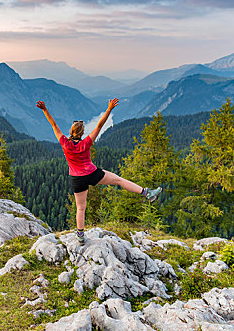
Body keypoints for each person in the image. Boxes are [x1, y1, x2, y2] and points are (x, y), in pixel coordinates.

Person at [36, 98, 162, 244]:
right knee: (119, 180)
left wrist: (45, 109)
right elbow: (100, 125)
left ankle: (80, 236)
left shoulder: (65, 143)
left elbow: (54, 124)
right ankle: (147, 193)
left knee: (80, 208)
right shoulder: (86, 142)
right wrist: (109, 109)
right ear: (82, 132)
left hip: (77, 179)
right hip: (92, 173)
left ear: (71, 131)